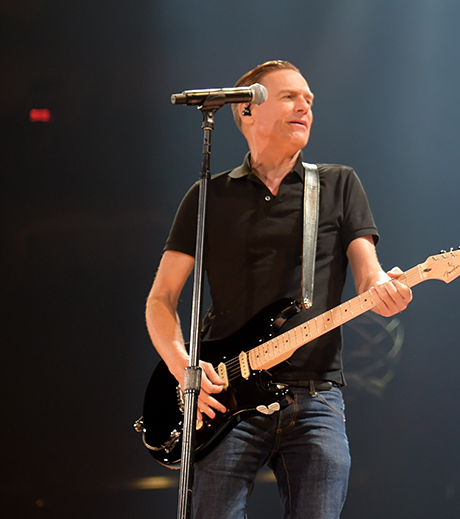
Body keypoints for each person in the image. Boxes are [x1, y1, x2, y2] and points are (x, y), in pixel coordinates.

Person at [145, 60, 412, 518]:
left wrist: (384, 288)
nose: (305, 106)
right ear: (247, 111)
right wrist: (182, 366)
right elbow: (161, 299)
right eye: (290, 96)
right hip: (224, 398)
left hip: (314, 396)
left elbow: (368, 273)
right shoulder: (207, 196)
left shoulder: (338, 184)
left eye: (309, 100)